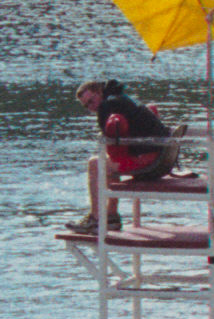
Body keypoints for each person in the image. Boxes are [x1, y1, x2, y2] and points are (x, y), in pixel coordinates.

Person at [72, 79, 174, 230]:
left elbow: (108, 139)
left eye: (91, 101)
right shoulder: (122, 98)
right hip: (162, 157)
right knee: (108, 162)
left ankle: (95, 217)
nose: (91, 107)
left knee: (95, 164)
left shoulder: (108, 106)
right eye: (86, 105)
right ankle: (111, 215)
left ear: (100, 92)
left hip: (151, 161)